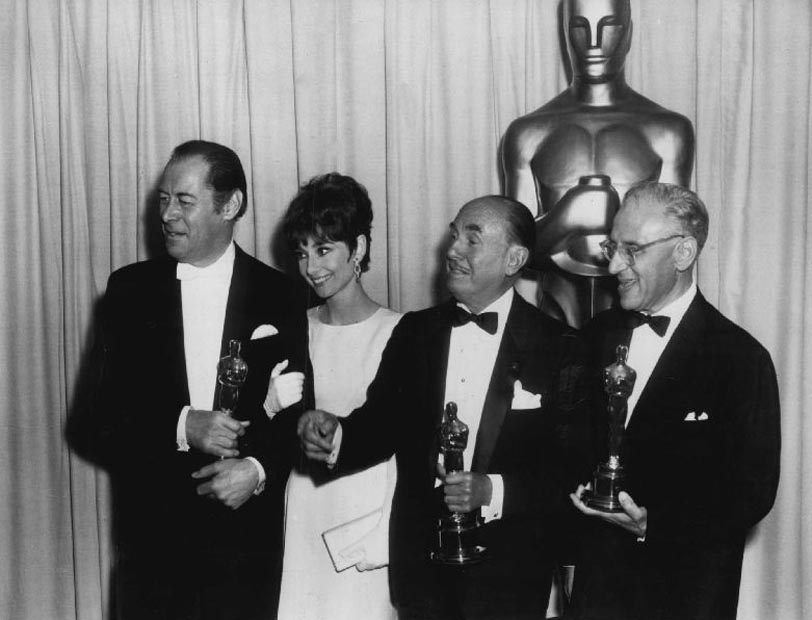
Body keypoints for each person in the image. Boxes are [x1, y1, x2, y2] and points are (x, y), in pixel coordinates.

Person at [298, 195, 590, 620]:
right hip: (422, 574)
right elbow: (380, 424)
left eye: (472, 240)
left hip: (509, 577)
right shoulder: (416, 331)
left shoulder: (561, 346)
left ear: (514, 259)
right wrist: (335, 434)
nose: (452, 250)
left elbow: (572, 470)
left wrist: (493, 491)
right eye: (454, 236)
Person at [89, 140, 309, 620]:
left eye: (184, 201)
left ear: (230, 205)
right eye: (164, 199)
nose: (167, 215)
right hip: (151, 556)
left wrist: (258, 469)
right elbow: (93, 420)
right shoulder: (129, 291)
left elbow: (302, 415)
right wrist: (182, 425)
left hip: (245, 556)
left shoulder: (283, 295)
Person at [568, 182, 781, 620]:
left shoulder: (740, 358)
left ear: (683, 253)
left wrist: (654, 525)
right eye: (613, 247)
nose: (614, 265)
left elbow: (752, 491)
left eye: (632, 250)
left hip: (686, 594)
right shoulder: (594, 336)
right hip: (597, 590)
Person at [501, 0, 695, 328]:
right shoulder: (528, 133)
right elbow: (513, 254)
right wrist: (566, 219)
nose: (593, 42)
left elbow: (675, 252)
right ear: (565, 33)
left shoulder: (668, 131)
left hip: (636, 320)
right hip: (553, 317)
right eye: (580, 27)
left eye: (609, 25)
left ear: (629, 33)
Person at [267, 173, 401, 619]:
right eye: (302, 253)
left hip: (368, 514)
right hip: (305, 509)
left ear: (358, 248)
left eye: (323, 249)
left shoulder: (401, 332)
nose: (311, 267)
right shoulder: (292, 330)